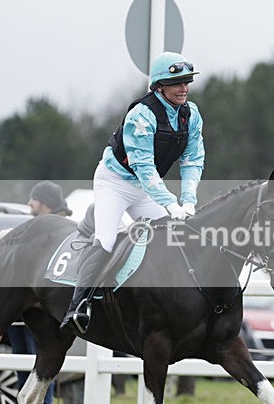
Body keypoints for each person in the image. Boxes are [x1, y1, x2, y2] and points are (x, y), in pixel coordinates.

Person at [61, 51, 205, 331]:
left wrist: (188, 201)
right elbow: (144, 166)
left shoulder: (192, 115)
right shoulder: (142, 114)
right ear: (159, 86)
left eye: (187, 81)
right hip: (115, 183)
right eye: (176, 83)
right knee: (106, 240)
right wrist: (170, 204)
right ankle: (78, 306)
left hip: (145, 188)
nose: (184, 88)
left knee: (172, 237)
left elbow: (192, 160)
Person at [8, 181, 70, 404]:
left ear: (44, 203)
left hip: (45, 305)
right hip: (25, 304)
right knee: (22, 361)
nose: (29, 204)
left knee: (42, 360)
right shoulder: (36, 227)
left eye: (33, 200)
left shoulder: (58, 228)